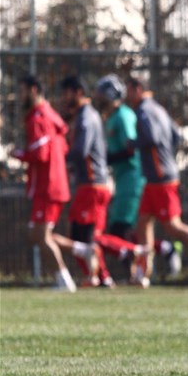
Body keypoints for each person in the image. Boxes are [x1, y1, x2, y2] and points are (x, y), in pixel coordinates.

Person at [125, 76, 188, 286]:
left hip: (161, 177)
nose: (126, 95)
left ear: (137, 89)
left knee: (173, 227)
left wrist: (132, 143)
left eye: (128, 90)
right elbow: (174, 136)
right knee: (143, 222)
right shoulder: (158, 109)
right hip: (157, 176)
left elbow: (151, 138)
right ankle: (142, 273)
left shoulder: (144, 111)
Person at [93, 74, 181, 277]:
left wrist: (104, 158)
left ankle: (151, 259)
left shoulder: (124, 116)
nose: (99, 100)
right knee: (134, 230)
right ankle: (160, 252)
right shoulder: (114, 116)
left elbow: (130, 148)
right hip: (123, 179)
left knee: (120, 230)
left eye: (102, 95)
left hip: (132, 179)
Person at [11, 75, 76, 292]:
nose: (20, 96)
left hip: (47, 185)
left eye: (22, 91)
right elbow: (62, 149)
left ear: (34, 90)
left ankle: (64, 279)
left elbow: (41, 153)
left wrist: (18, 153)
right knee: (36, 234)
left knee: (40, 235)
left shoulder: (38, 118)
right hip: (55, 183)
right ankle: (83, 250)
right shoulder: (51, 115)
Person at [59, 75, 115, 287]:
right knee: (82, 235)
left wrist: (60, 158)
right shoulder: (84, 116)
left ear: (78, 93)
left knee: (86, 236)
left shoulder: (86, 117)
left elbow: (81, 150)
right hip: (91, 184)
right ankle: (100, 277)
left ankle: (132, 253)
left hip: (92, 185)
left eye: (66, 94)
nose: (63, 99)